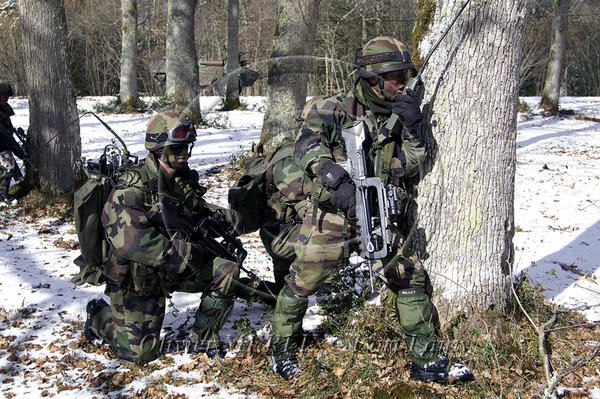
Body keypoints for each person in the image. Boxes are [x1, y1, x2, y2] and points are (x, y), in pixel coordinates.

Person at [269, 36, 472, 383]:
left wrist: (411, 128)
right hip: (334, 210)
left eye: (405, 74)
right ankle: (282, 350)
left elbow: (411, 165)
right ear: (373, 79)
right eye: (395, 76)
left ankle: (428, 362)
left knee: (410, 278)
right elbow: (307, 146)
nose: (402, 82)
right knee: (304, 280)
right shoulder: (332, 107)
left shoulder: (403, 109)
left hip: (380, 209)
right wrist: (334, 178)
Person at [84, 111, 240, 364]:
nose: (183, 156)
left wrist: (224, 218)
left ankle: (203, 339)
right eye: (176, 149)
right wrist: (193, 253)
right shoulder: (131, 189)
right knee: (139, 355)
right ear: (157, 150)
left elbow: (194, 209)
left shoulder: (180, 179)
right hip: (138, 278)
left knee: (226, 270)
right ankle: (99, 315)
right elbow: (136, 244)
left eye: (187, 149)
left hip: (174, 266)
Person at [0, 81, 26, 202]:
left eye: (7, 98)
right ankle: (3, 195)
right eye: (4, 97)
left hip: (4, 143)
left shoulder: (4, 109)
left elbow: (8, 130)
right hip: (2, 144)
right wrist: (19, 152)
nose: (6, 100)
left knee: (11, 167)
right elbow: (5, 136)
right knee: (9, 167)